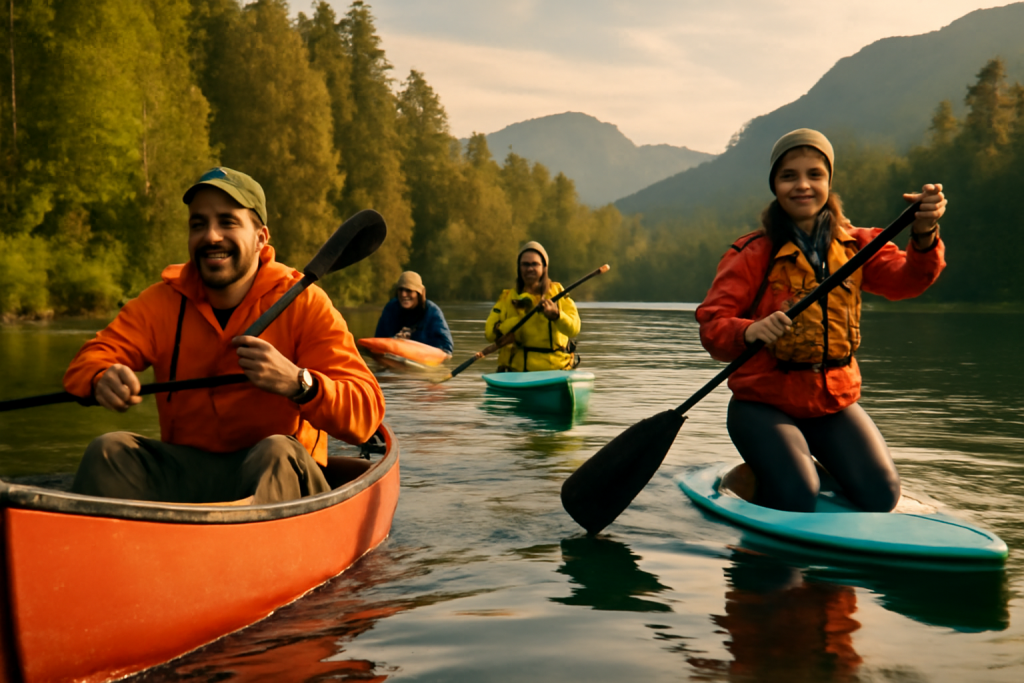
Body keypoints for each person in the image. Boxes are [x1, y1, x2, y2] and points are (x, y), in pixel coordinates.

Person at [62, 167, 386, 505]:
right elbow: (85, 364)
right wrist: (101, 377)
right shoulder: (160, 303)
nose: (211, 236)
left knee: (276, 451)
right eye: (198, 224)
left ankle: (238, 545)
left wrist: (299, 383)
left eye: (228, 222)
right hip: (190, 473)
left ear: (261, 238)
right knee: (108, 451)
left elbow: (365, 415)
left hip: (279, 476)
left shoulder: (304, 303)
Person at [695, 129, 946, 513]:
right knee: (797, 495)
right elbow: (713, 327)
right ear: (775, 186)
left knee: (882, 496)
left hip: (833, 401)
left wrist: (924, 232)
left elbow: (908, 281)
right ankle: (773, 473)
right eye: (789, 176)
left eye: (815, 174)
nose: (803, 185)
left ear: (828, 181)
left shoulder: (860, 245)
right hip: (762, 405)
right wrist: (749, 330)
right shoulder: (751, 253)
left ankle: (807, 466)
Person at [485, 241, 581, 372]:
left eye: (535, 264)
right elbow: (489, 334)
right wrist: (516, 322)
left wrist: (557, 315)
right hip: (517, 372)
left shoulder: (559, 293)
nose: (529, 268)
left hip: (556, 369)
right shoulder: (507, 297)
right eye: (525, 264)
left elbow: (574, 329)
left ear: (544, 267)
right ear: (519, 268)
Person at [373, 271, 453, 355]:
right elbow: (378, 339)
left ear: (418, 293)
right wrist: (395, 339)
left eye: (409, 290)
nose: (403, 294)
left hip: (423, 359)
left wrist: (412, 339)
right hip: (391, 357)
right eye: (401, 290)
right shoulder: (390, 308)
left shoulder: (433, 312)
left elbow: (447, 348)